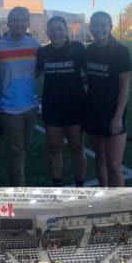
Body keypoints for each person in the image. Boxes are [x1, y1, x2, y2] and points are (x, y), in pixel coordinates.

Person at [0, 7, 40, 185]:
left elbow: (39, 69)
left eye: (23, 20)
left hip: (31, 107)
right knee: (17, 151)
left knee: (21, 150)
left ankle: (17, 181)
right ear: (9, 23)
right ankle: (20, 193)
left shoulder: (34, 44)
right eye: (15, 20)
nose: (19, 23)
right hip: (8, 109)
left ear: (28, 23)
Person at [83, 12, 132, 187]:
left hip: (112, 114)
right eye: (95, 25)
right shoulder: (89, 50)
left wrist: (118, 116)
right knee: (100, 158)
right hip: (92, 112)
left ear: (110, 27)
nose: (99, 29)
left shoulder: (121, 52)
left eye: (103, 25)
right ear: (91, 28)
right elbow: (90, 77)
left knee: (114, 164)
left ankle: (119, 203)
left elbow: (124, 87)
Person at [37, 15, 86, 186]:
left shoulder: (77, 48)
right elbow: (34, 75)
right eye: (53, 29)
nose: (56, 32)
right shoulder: (43, 52)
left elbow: (90, 73)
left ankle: (80, 185)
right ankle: (56, 185)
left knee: (77, 149)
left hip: (75, 107)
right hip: (52, 108)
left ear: (65, 31)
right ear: (48, 32)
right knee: (55, 148)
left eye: (60, 29)